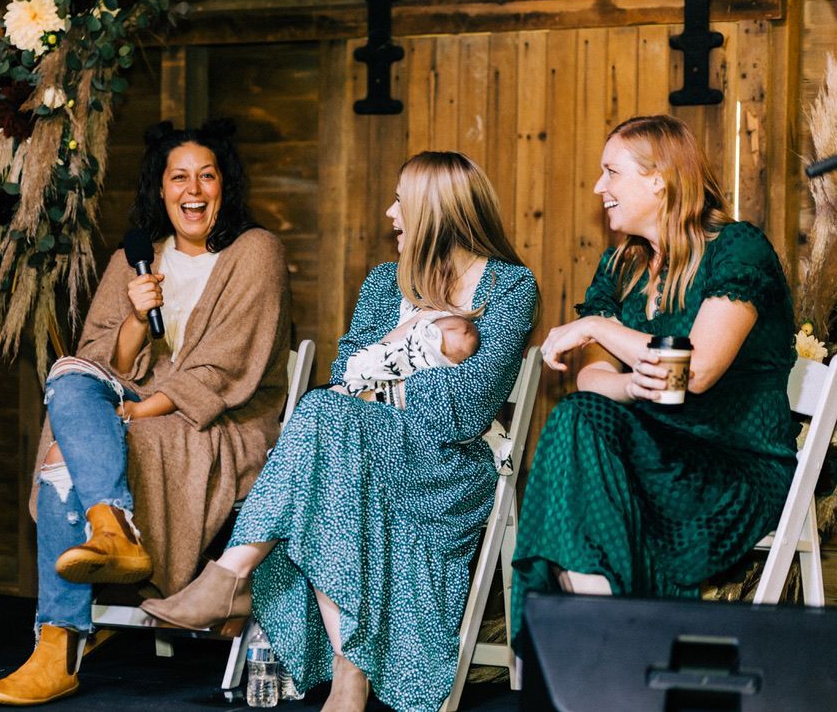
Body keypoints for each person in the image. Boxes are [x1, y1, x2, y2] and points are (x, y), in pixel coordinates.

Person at [142, 151, 538, 712]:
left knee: (323, 419)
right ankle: (347, 677)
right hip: (360, 451)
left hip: (445, 466)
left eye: (400, 200)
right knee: (328, 424)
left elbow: (466, 410)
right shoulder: (384, 283)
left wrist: (384, 383)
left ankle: (230, 576)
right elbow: (342, 378)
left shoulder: (510, 288)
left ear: (436, 210)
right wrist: (398, 367)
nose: (389, 212)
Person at [0, 120, 291, 706]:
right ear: (161, 188)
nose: (193, 190)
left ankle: (58, 644)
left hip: (215, 422)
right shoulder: (136, 257)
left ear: (224, 185)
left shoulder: (255, 251)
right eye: (179, 177)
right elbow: (101, 359)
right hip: (131, 405)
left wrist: (137, 412)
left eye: (207, 175)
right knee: (68, 374)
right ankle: (112, 526)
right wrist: (132, 317)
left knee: (61, 453)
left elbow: (225, 368)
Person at [510, 115, 798, 643]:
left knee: (580, 450)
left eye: (611, 172)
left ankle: (602, 647)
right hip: (649, 454)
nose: (600, 188)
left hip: (731, 468)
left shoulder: (736, 249)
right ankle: (609, 641)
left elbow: (698, 369)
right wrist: (631, 385)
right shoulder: (622, 266)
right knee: (577, 419)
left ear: (658, 179)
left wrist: (599, 325)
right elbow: (592, 379)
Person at [338, 311, 480, 406]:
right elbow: (385, 346)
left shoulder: (439, 373)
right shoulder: (420, 325)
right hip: (368, 373)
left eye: (445, 352)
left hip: (381, 397)